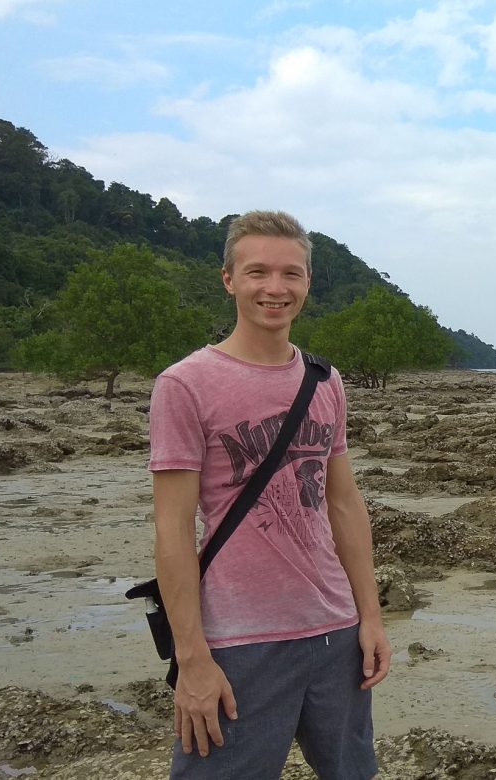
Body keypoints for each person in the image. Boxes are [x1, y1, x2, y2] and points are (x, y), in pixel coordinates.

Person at [148, 210, 391, 779]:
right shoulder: (185, 384)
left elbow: (344, 503)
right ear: (229, 279)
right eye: (258, 272)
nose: (275, 288)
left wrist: (371, 617)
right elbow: (172, 529)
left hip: (336, 632)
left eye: (292, 274)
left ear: (308, 282)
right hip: (239, 640)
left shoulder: (324, 380)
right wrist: (192, 659)